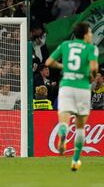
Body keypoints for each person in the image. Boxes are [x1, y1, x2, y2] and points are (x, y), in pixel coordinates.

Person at [45, 22, 99, 171]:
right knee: (80, 127)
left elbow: (49, 62)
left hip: (67, 86)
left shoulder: (65, 45)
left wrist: (64, 66)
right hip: (82, 88)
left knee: (64, 120)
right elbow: (94, 67)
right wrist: (92, 77)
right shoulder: (91, 48)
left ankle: (63, 134)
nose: (91, 35)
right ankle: (75, 160)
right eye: (90, 33)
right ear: (86, 34)